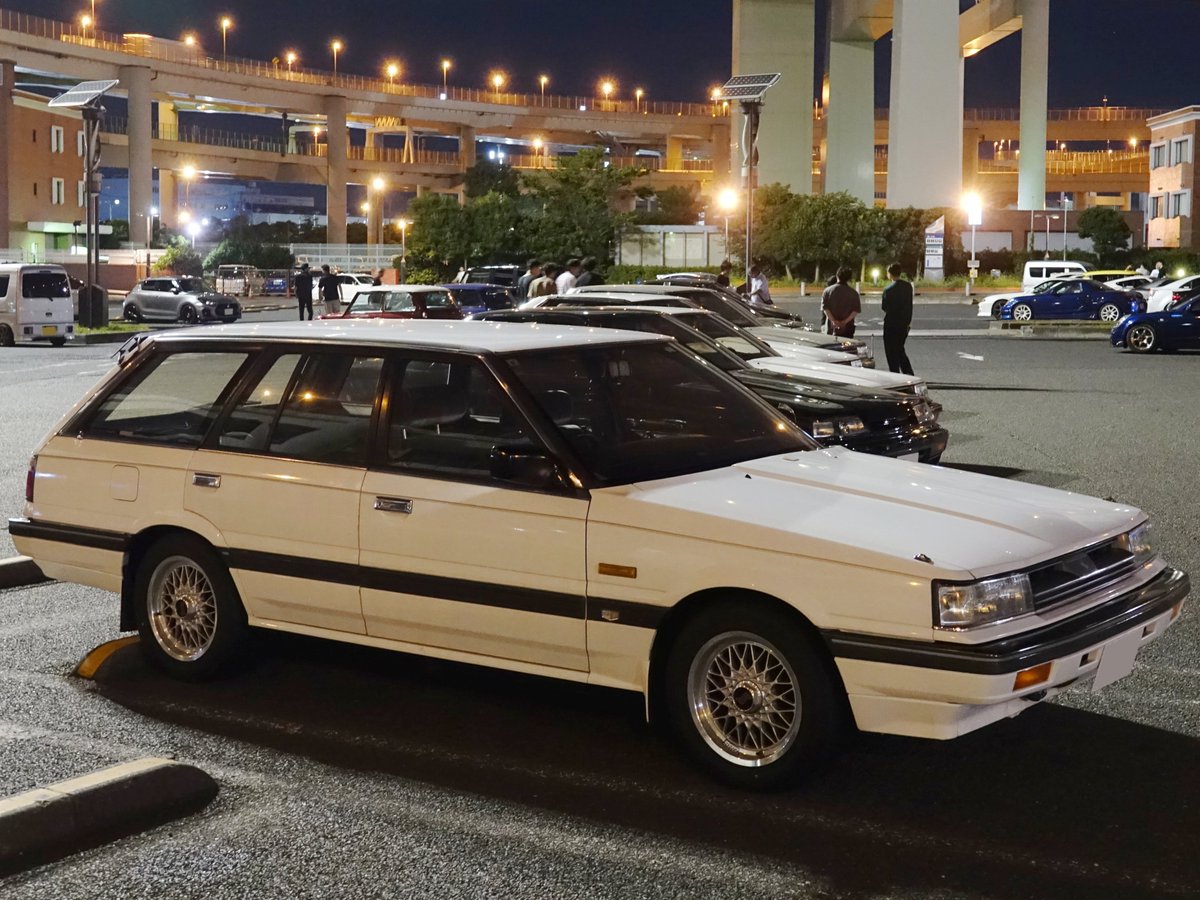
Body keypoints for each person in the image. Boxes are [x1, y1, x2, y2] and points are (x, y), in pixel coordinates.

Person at [881, 263, 915, 375]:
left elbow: (884, 307)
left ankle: (894, 372)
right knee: (900, 348)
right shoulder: (908, 286)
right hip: (904, 323)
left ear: (889, 274)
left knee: (891, 351)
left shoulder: (888, 290)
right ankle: (908, 372)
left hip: (891, 323)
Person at [821, 266, 861, 338]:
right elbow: (855, 311)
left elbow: (825, 309)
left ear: (837, 275)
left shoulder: (827, 291)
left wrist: (833, 321)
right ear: (849, 278)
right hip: (848, 328)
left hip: (830, 328)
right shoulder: (854, 293)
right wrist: (844, 322)